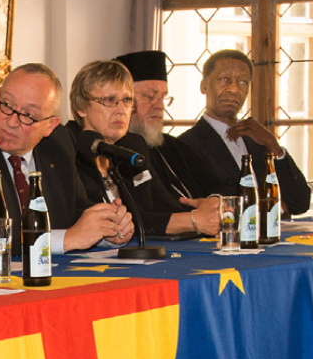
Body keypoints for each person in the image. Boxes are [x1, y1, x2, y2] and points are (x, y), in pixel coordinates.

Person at [0, 63, 134, 259]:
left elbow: (75, 210)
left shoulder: (58, 143)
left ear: (50, 126)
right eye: (6, 105)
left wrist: (108, 229)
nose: (12, 122)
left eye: (29, 116)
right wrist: (67, 239)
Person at [66, 60, 219, 239]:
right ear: (81, 107)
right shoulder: (66, 149)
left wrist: (203, 211)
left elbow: (164, 206)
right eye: (109, 100)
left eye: (127, 100)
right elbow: (108, 223)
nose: (121, 110)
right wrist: (192, 220)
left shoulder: (132, 145)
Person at [178, 49, 311, 214]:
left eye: (242, 82)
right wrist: (274, 207)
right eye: (224, 79)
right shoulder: (186, 145)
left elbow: (299, 202)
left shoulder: (257, 140)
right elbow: (213, 205)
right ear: (204, 85)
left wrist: (272, 145)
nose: (233, 89)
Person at [113, 50, 204, 200]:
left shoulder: (174, 146)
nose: (160, 106)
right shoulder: (118, 151)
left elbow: (212, 183)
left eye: (163, 97)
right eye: (150, 96)